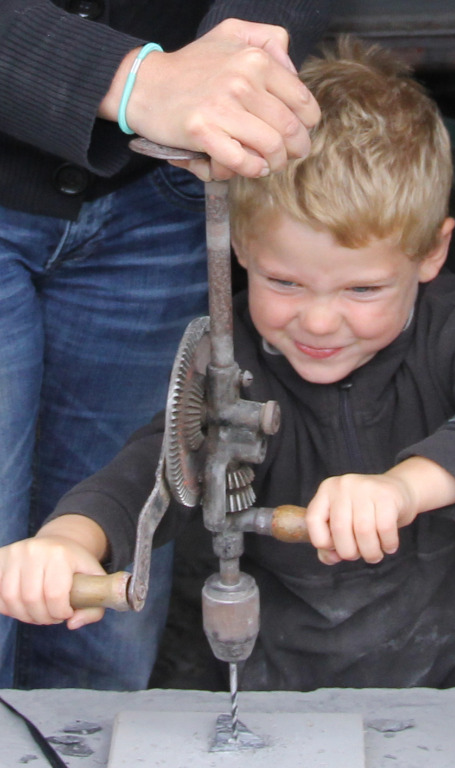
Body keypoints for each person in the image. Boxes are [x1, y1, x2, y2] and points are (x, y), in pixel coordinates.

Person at [2, 36, 455, 691]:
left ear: (432, 252)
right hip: (282, 693)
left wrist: (404, 488)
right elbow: (152, 468)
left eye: (362, 289)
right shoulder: (234, 366)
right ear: (240, 246)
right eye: (284, 282)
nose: (317, 321)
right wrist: (70, 540)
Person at [0, 1, 333, 690]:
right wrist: (131, 82)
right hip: (151, 121)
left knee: (107, 632)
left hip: (157, 185)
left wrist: (242, 67)